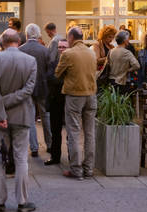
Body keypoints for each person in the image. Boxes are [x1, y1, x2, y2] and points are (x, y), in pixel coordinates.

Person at [0, 29, 37, 212]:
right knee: (21, 159)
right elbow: (28, 90)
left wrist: (1, 111)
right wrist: (7, 103)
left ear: (2, 42)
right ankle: (22, 202)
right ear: (19, 41)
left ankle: (0, 201)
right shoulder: (30, 61)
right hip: (21, 116)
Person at [55, 26, 97, 180]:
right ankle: (89, 169)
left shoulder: (68, 53)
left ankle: (76, 169)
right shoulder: (92, 52)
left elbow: (57, 73)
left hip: (74, 95)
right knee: (90, 133)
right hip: (91, 94)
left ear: (71, 38)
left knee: (73, 132)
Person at [18, 23, 51, 158]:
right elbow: (50, 70)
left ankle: (34, 147)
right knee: (46, 117)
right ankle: (50, 144)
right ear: (38, 35)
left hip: (26, 88)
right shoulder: (45, 50)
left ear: (26, 35)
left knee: (30, 118)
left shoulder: (20, 50)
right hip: (43, 87)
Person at [45, 40, 68, 166]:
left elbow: (54, 78)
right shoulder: (53, 63)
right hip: (55, 100)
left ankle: (72, 157)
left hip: (69, 99)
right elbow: (49, 77)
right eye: (59, 47)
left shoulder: (71, 63)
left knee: (71, 131)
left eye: (64, 47)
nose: (61, 49)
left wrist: (58, 79)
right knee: (55, 130)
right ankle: (55, 156)